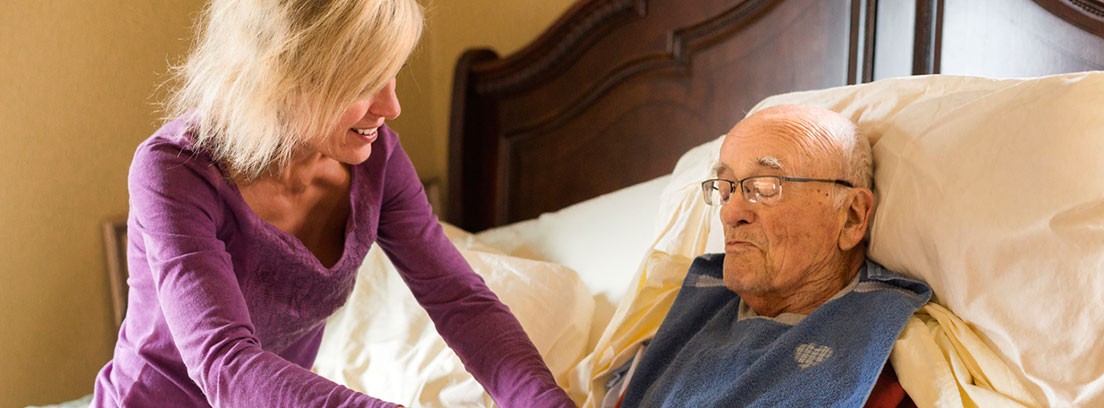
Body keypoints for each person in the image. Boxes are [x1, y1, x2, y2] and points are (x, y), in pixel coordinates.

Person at [91, 1, 574, 407]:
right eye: (364, 83)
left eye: (393, 74)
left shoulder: (377, 159)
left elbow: (462, 303)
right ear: (280, 73)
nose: (391, 106)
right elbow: (225, 364)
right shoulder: (174, 171)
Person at [610, 105, 931, 407]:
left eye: (764, 187)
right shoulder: (691, 313)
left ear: (851, 216)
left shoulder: (886, 365)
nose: (730, 213)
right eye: (725, 189)